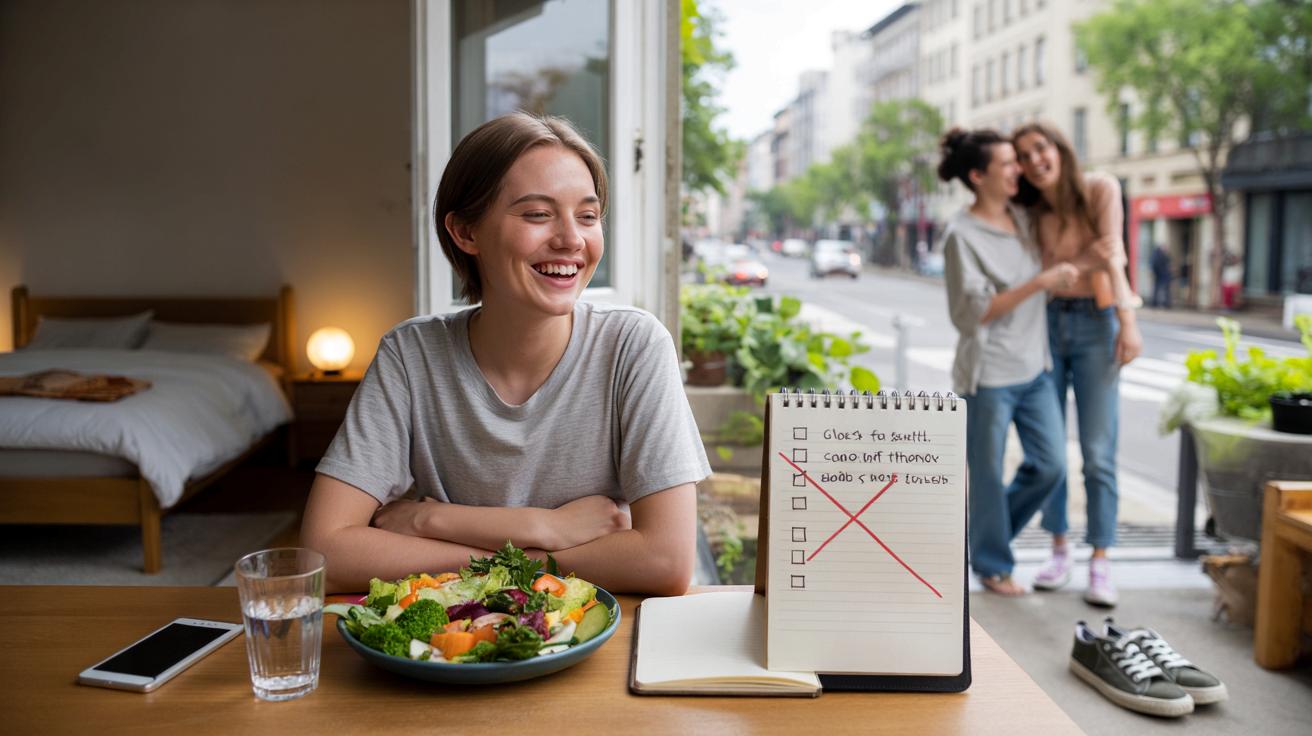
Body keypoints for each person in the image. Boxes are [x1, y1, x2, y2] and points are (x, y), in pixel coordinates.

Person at [301, 112, 712, 595]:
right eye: (538, 214)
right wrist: (540, 531)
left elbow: (664, 561)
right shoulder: (411, 355)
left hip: (613, 643)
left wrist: (432, 518)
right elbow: (323, 554)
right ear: (465, 233)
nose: (572, 240)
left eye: (587, 215)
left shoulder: (634, 347)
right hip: (459, 651)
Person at [937, 127, 1079, 596]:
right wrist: (1041, 282)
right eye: (1007, 163)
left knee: (1051, 465)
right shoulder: (961, 234)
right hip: (989, 374)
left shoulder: (1024, 217)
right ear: (978, 176)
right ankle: (993, 564)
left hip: (1035, 368)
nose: (1018, 168)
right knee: (986, 475)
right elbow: (973, 312)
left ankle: (984, 541)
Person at [1012, 121, 1143, 608]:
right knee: (1050, 449)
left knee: (1097, 450)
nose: (1034, 161)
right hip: (1044, 324)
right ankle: (1059, 548)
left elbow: (1114, 257)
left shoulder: (1100, 189)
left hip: (1096, 322)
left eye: (1040, 148)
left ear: (1059, 148)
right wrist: (1081, 261)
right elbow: (1053, 270)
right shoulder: (1032, 210)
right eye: (1023, 156)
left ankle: (1101, 560)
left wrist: (1128, 322)